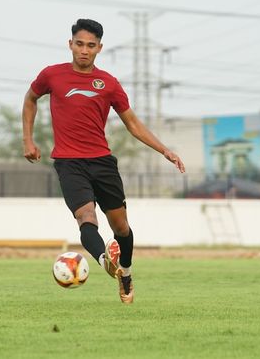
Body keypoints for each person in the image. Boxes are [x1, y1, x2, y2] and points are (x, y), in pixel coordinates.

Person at [22, 19, 185, 303]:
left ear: (99, 48)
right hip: (68, 162)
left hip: (102, 162)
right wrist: (28, 140)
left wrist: (164, 150)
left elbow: (132, 123)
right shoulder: (51, 75)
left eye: (91, 46)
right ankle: (104, 260)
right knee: (85, 217)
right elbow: (30, 99)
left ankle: (126, 271)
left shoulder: (108, 83)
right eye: (79, 44)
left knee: (121, 227)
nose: (84, 50)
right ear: (70, 44)